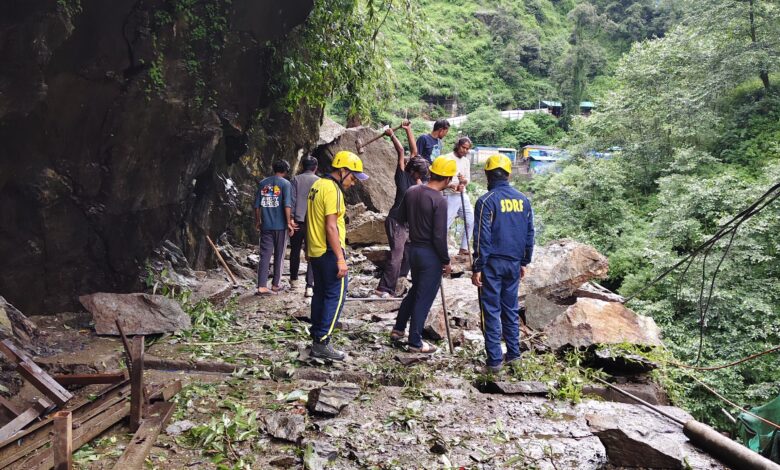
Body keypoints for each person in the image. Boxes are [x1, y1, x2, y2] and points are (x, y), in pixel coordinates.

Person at [471, 155, 534, 373]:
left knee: (490, 310)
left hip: (492, 265)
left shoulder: (486, 201)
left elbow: (482, 238)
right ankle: (514, 356)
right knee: (510, 309)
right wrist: (524, 261)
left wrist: (477, 266)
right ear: (508, 174)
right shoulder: (523, 200)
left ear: (488, 174)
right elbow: (529, 234)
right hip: (514, 263)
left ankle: (494, 362)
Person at [306, 150, 368, 360]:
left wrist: (308, 249)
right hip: (330, 251)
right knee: (336, 296)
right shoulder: (333, 190)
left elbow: (310, 219)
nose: (354, 182)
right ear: (342, 170)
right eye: (353, 177)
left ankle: (316, 336)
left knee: (320, 294)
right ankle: (322, 342)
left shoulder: (317, 185)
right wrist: (341, 258)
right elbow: (330, 227)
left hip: (316, 250)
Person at [390, 156, 456, 354]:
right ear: (447, 179)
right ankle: (415, 341)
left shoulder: (412, 191)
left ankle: (398, 328)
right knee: (424, 297)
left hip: (414, 251)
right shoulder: (439, 200)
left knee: (416, 290)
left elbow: (400, 217)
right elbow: (439, 236)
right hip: (430, 255)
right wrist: (445, 260)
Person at [375, 121, 429, 298]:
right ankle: (383, 289)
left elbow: (414, 152)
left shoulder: (416, 178)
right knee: (397, 256)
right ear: (414, 172)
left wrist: (408, 130)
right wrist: (392, 136)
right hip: (396, 221)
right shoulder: (403, 175)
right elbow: (401, 152)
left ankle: (400, 281)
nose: (422, 178)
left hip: (408, 224)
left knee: (409, 254)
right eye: (421, 175)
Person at [254, 160, 295, 295]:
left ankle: (261, 286)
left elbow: (257, 206)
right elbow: (287, 204)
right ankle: (275, 285)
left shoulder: (262, 183)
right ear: (286, 171)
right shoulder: (285, 184)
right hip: (280, 226)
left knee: (264, 255)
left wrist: (258, 221)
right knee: (279, 255)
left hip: (265, 225)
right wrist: (289, 222)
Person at [290, 156, 319, 297]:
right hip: (313, 223)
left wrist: (291, 218)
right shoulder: (319, 182)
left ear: (303, 166)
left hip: (297, 221)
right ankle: (309, 286)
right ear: (315, 168)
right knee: (312, 253)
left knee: (295, 251)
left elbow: (292, 200)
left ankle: (294, 280)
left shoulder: (296, 180)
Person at [442, 137, 474, 256]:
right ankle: (441, 251)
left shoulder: (466, 161)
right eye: (463, 147)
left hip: (462, 194)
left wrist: (463, 182)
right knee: (445, 224)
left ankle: (464, 248)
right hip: (449, 195)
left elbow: (468, 180)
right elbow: (441, 179)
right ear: (458, 145)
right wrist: (452, 185)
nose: (465, 150)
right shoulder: (447, 158)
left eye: (467, 149)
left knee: (470, 220)